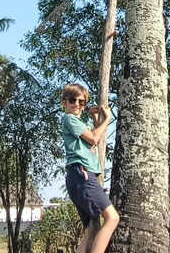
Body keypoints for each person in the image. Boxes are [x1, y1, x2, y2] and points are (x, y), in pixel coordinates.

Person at [61, 83, 120, 253]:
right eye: (72, 100)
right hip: (82, 175)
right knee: (112, 218)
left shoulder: (80, 121)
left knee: (89, 233)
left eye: (82, 102)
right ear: (64, 102)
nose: (77, 105)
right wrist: (108, 119)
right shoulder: (70, 119)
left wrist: (95, 118)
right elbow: (94, 139)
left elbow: (95, 135)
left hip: (77, 177)